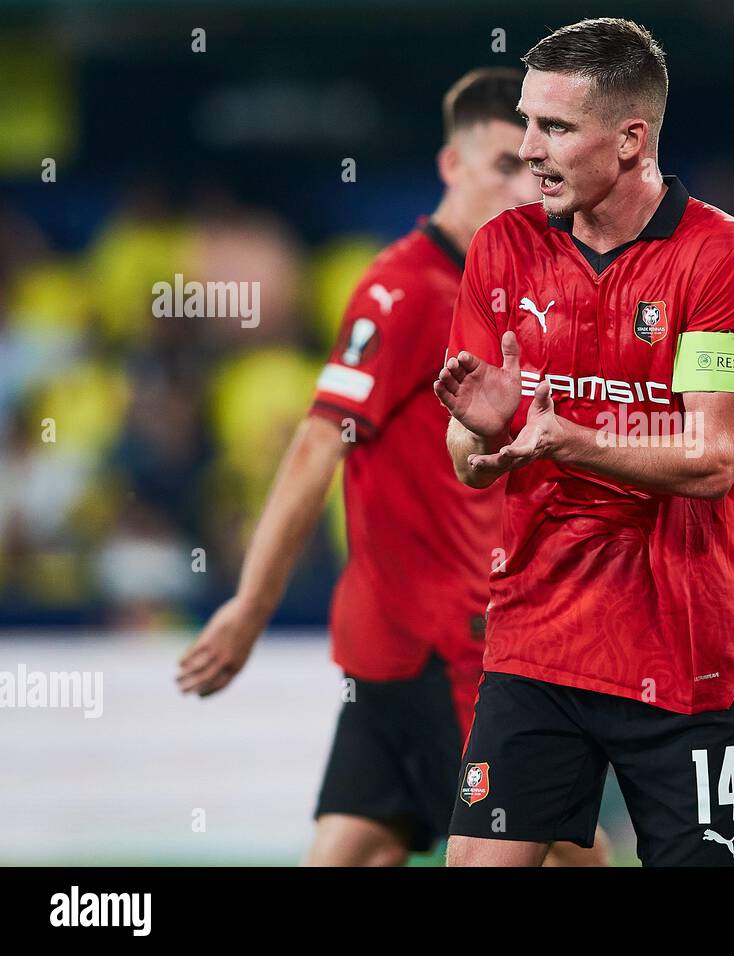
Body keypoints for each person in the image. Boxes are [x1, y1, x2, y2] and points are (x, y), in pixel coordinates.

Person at [176, 67, 611, 866]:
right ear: (451, 168)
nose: (526, 186)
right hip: (439, 640)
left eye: (536, 166)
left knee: (383, 850)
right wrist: (250, 606)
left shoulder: (517, 294)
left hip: (431, 639)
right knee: (549, 847)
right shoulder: (405, 290)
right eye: (502, 167)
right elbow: (316, 447)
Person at [435, 18, 734, 867]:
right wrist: (482, 437)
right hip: (537, 644)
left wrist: (563, 439)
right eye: (526, 123)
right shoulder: (503, 250)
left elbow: (711, 459)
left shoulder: (721, 260)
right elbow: (467, 451)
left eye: (555, 128)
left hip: (689, 659)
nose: (529, 150)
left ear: (632, 139)